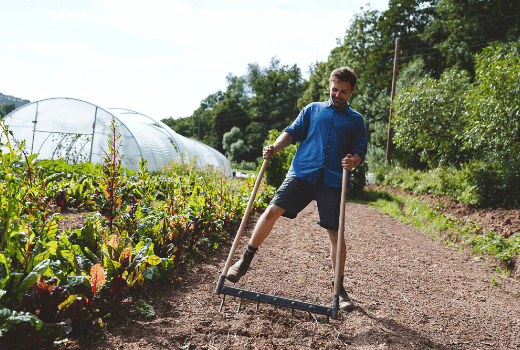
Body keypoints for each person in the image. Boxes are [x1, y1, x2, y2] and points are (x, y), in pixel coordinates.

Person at [227, 67, 367, 312]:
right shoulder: (312, 110)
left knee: (336, 233)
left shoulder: (356, 120)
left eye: (343, 91)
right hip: (302, 172)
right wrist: (275, 147)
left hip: (332, 180)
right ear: (330, 86)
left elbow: (359, 151)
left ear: (352, 90)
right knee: (271, 211)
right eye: (334, 89)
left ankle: (339, 288)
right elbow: (291, 133)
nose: (337, 94)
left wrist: (353, 161)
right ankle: (243, 260)